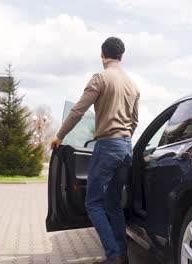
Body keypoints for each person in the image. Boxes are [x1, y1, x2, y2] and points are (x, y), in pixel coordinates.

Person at [51, 37, 140, 264]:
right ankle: (122, 255)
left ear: (102, 55)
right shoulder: (132, 84)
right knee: (113, 204)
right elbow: (134, 121)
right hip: (125, 146)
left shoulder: (100, 78)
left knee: (93, 203)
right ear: (122, 57)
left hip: (107, 145)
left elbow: (78, 110)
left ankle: (113, 256)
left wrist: (60, 135)